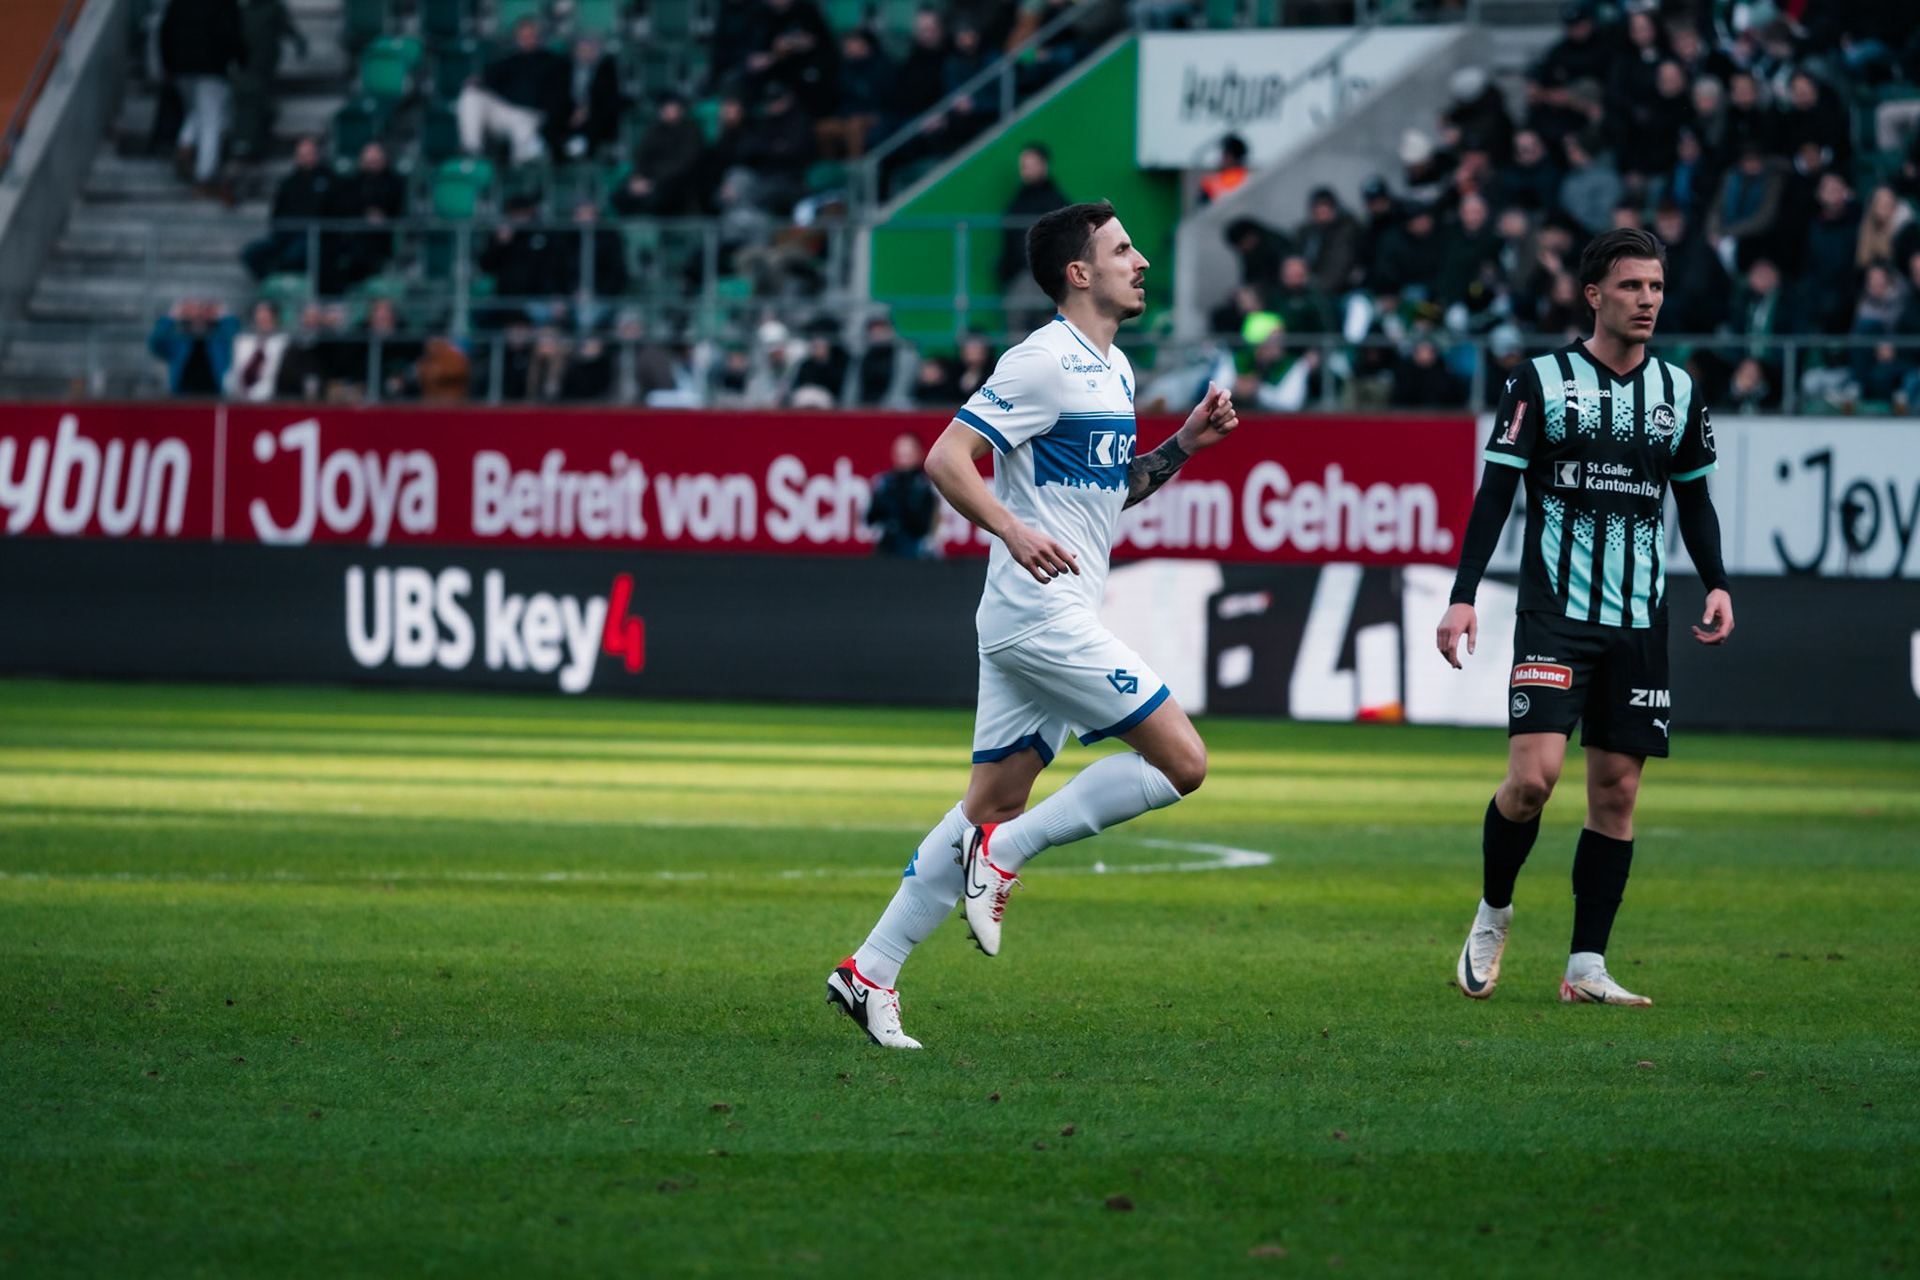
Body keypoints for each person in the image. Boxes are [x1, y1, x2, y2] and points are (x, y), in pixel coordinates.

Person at [826, 200, 1241, 1048]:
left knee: (987, 800)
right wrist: (1011, 530)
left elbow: (1109, 487)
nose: (1143, 262)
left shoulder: (1114, 371)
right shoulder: (1041, 361)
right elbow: (948, 459)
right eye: (1124, 249)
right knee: (1184, 762)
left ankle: (869, 970)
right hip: (1039, 613)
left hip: (1041, 615)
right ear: (1078, 273)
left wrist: (1185, 445)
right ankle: (1008, 853)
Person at [1437, 227, 1734, 1009]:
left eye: (1657, 288)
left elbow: (1695, 498)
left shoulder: (1679, 391)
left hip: (1641, 620)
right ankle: (1495, 910)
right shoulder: (1539, 380)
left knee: (1617, 794)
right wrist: (1464, 593)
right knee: (1532, 781)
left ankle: (1586, 967)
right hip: (1555, 613)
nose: (1647, 301)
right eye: (1632, 287)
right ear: (1594, 295)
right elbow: (1497, 492)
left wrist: (1716, 580)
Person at [160, 0, 245, 194]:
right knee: (210, 121)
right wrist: (240, 60)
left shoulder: (179, 4)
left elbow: (165, 30)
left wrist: (168, 63)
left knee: (195, 111)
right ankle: (204, 176)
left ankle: (185, 143)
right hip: (211, 68)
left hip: (181, 67)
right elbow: (231, 34)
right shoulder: (223, 5)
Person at [458, 17, 569, 164]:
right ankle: (472, 151)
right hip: (505, 111)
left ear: (540, 37)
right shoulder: (510, 61)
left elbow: (559, 98)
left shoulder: (555, 63)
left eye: (531, 35)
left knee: (524, 143)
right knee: (471, 95)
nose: (527, 39)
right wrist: (477, 82)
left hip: (531, 115)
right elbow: (486, 79)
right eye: (523, 36)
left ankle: (517, 182)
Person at [241, 136, 335, 280]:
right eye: (302, 154)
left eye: (309, 153)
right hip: (286, 236)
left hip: (315, 236)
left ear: (317, 154)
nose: (306, 158)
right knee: (250, 254)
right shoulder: (288, 182)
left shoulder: (329, 180)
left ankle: (284, 285)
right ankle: (270, 284)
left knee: (294, 254)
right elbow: (277, 214)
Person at [230, 0, 307, 166]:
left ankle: (253, 146)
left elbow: (286, 27)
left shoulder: (262, 9)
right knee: (256, 106)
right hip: (252, 67)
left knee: (259, 105)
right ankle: (251, 147)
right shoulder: (250, 11)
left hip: (257, 67)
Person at [866, 431, 938, 557]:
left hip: (915, 553)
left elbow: (923, 525)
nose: (903, 457)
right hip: (886, 551)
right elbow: (871, 518)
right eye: (900, 453)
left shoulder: (925, 487)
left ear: (919, 454)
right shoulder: (884, 483)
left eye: (908, 453)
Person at [148, 299, 238, 396]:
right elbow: (156, 343)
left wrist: (221, 313)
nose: (198, 315)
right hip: (182, 392)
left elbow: (235, 329)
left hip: (214, 391)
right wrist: (173, 315)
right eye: (192, 312)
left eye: (202, 312)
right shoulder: (178, 341)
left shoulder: (219, 340)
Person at [555, 36, 625, 159]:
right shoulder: (565, 69)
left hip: (596, 116)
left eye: (590, 50)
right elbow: (559, 96)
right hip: (569, 114)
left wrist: (586, 110)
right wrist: (574, 113)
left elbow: (609, 99)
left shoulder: (606, 70)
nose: (586, 54)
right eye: (583, 50)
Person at [225, 301, 288, 400]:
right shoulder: (241, 341)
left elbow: (273, 377)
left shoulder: (283, 343)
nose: (262, 323)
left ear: (275, 320)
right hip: (238, 399)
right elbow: (234, 372)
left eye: (266, 320)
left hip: (269, 400)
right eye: (259, 320)